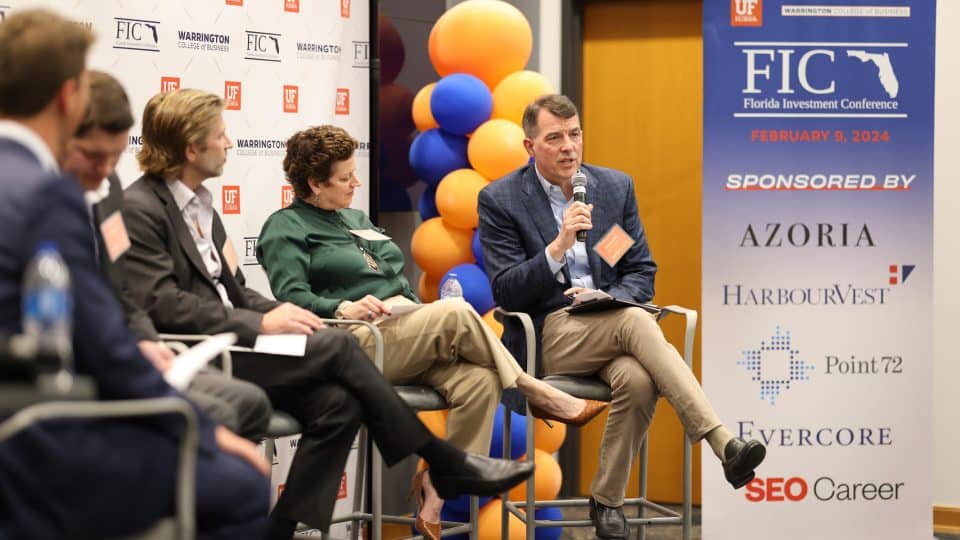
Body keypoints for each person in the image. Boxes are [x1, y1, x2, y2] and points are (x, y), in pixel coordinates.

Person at [120, 88, 534, 540]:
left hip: (243, 340)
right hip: (197, 353)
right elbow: (161, 304)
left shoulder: (202, 206)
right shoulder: (139, 208)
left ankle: (281, 528)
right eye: (220, 135)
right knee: (382, 331)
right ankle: (448, 457)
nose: (229, 144)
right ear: (190, 147)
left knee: (341, 403)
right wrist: (265, 321)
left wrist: (274, 312)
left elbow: (235, 291)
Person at [256, 124, 607, 539]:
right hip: (350, 341)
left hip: (401, 330)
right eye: (345, 177)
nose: (356, 182)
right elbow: (291, 300)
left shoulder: (354, 218)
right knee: (456, 311)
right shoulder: (286, 227)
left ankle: (436, 489)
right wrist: (341, 306)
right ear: (313, 183)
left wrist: (413, 311)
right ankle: (535, 390)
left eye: (355, 172)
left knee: (477, 380)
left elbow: (396, 282)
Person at [0, 9, 271, 539]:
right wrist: (204, 433)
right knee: (241, 483)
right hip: (32, 441)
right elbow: (104, 346)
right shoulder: (44, 195)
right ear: (67, 96)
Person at [477, 94, 766, 540]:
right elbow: (507, 288)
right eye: (554, 138)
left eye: (575, 135)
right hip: (549, 332)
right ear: (530, 146)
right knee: (638, 322)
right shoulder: (501, 199)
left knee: (639, 378)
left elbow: (640, 270)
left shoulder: (612, 187)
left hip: (608, 321)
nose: (569, 147)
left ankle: (606, 502)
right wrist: (558, 246)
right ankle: (723, 442)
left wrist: (605, 296)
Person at [63, 69, 272, 440]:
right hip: (68, 359)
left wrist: (145, 340)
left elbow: (120, 293)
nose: (106, 170)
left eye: (113, 158)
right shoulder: (130, 204)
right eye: (95, 155)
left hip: (141, 348)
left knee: (274, 397)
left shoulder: (110, 190)